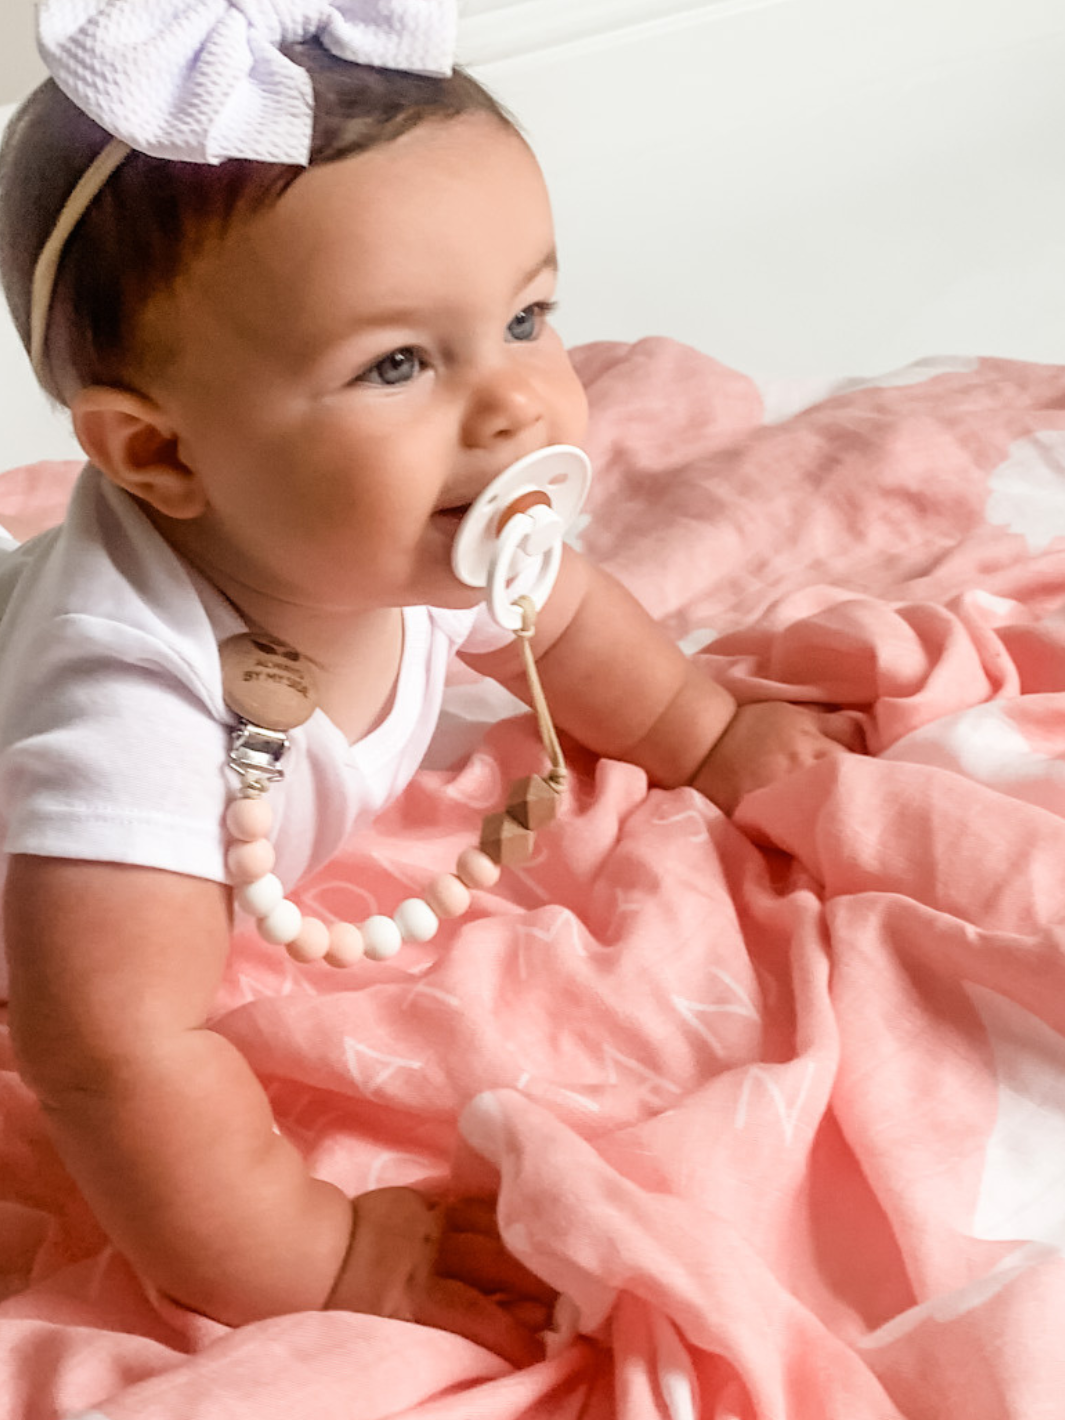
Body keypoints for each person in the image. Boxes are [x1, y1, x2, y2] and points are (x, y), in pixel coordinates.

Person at [0, 6, 860, 1367]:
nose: (516, 405)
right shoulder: (124, 723)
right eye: (398, 363)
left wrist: (704, 731)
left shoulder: (387, 533)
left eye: (525, 318)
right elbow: (109, 1052)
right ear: (161, 455)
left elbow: (561, 615)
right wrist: (315, 1251)